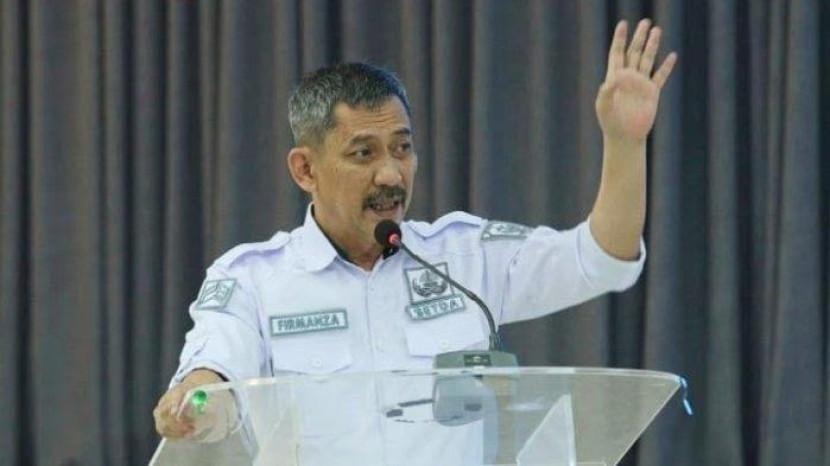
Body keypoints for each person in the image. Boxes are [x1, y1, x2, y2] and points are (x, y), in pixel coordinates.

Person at [153, 18, 676, 460]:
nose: (391, 174)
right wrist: (197, 401)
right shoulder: (253, 279)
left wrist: (624, 143)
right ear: (305, 169)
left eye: (402, 149)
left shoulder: (465, 257)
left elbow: (600, 259)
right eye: (363, 153)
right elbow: (213, 372)